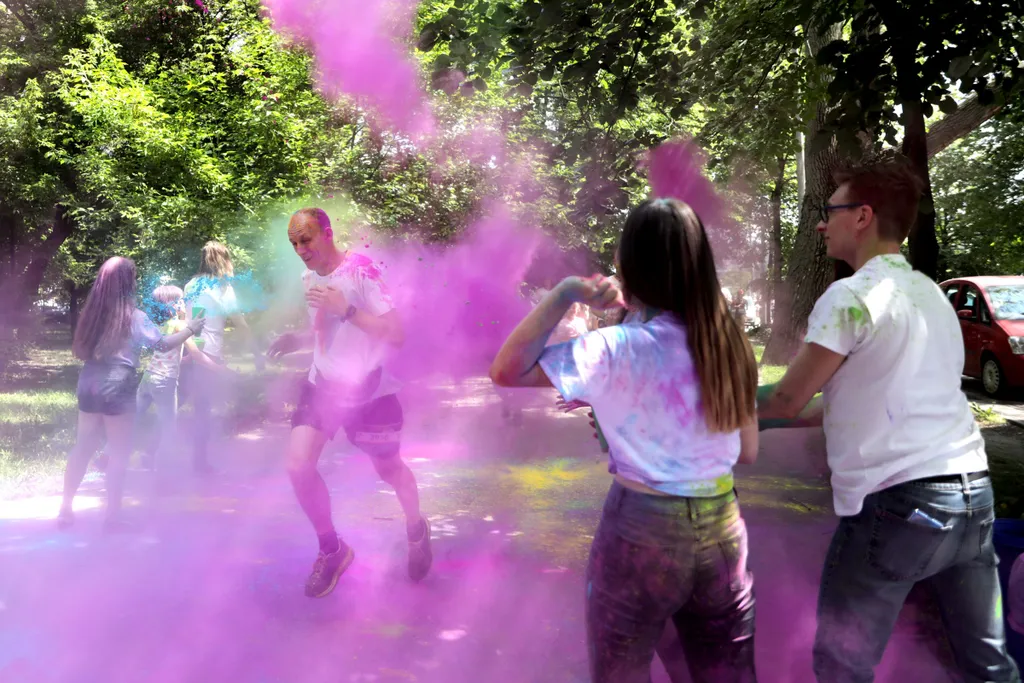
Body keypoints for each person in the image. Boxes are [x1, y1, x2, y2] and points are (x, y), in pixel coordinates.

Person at [758, 160, 1019, 682]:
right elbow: (826, 406)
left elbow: (786, 398)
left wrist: (693, 412)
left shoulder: (851, 296)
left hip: (899, 503)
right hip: (972, 498)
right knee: (987, 663)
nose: (820, 223)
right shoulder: (932, 296)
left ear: (862, 217)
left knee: (841, 664)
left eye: (830, 211)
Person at [491, 198, 760, 683]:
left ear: (628, 263)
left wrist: (565, 292)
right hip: (723, 525)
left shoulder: (616, 348)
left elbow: (507, 369)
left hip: (641, 530)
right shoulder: (730, 344)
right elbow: (750, 450)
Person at [267, 208, 431, 598]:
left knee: (388, 468)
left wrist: (348, 309)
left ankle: (416, 527)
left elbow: (396, 334)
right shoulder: (308, 276)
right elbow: (327, 333)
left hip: (369, 393)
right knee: (297, 465)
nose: (300, 250)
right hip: (322, 385)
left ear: (327, 233)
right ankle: (332, 549)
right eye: (293, 243)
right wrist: (298, 338)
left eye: (305, 239)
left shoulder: (363, 270)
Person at [59, 257, 203, 530]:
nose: (137, 282)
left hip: (89, 381)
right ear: (127, 283)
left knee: (83, 447)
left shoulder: (93, 315)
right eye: (134, 278)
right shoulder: (134, 317)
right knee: (120, 452)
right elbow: (161, 345)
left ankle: (66, 508)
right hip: (119, 382)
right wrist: (190, 330)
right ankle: (112, 517)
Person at [183, 241, 260, 474]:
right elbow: (239, 322)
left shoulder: (191, 285)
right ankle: (200, 462)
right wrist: (256, 352)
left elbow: (194, 318)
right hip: (209, 354)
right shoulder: (223, 288)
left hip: (189, 349)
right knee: (204, 409)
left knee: (190, 404)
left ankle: (182, 455)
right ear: (223, 260)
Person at [136, 284, 224, 474]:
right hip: (164, 382)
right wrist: (220, 370)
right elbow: (198, 356)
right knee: (169, 430)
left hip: (148, 377)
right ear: (172, 305)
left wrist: (184, 359)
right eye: (181, 300)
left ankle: (108, 453)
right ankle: (164, 475)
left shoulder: (161, 325)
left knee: (132, 418)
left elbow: (168, 354)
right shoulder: (181, 326)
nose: (184, 303)